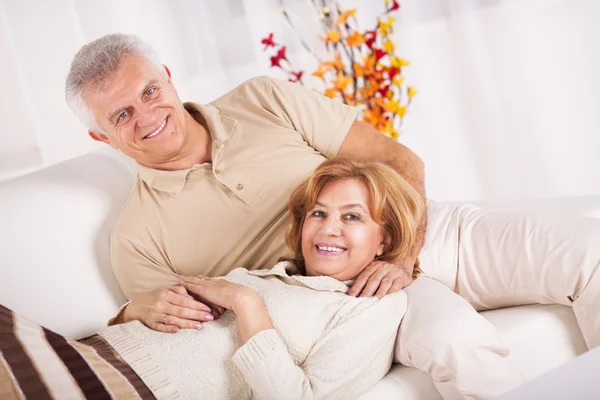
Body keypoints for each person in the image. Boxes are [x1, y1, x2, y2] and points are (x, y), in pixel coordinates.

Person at [64, 33, 427, 332]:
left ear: (168, 77)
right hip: (338, 322)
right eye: (122, 115)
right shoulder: (135, 240)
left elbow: (399, 160)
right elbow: (191, 340)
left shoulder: (264, 99)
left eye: (150, 91)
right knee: (456, 345)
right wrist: (129, 314)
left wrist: (403, 260)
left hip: (411, 252)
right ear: (102, 137)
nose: (147, 118)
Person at [97, 158, 424, 400]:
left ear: (386, 240)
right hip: (93, 351)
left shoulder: (373, 307)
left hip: (131, 389)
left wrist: (246, 304)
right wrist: (131, 310)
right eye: (318, 213)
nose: (327, 228)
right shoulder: (269, 275)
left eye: (352, 216)